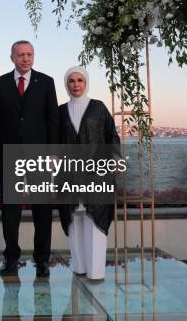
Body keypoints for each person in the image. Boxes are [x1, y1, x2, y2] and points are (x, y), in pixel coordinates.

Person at [0, 40, 59, 277]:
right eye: (21, 55)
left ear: (34, 56)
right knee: (10, 211)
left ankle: (42, 260)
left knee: (42, 211)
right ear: (12, 58)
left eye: (29, 54)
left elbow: (53, 121)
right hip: (9, 155)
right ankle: (11, 258)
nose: (25, 59)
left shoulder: (47, 82)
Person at [57, 66, 120, 280]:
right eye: (71, 81)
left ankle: (96, 272)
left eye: (80, 80)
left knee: (95, 223)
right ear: (66, 85)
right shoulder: (60, 111)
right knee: (74, 223)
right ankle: (80, 267)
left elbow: (112, 137)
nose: (76, 84)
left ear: (86, 83)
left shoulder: (98, 108)